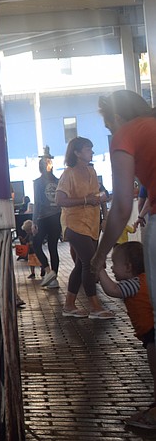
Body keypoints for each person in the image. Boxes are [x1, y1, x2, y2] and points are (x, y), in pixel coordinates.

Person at [92, 90, 156, 329]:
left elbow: (121, 206)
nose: (112, 134)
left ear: (117, 118)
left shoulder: (126, 134)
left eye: (109, 128)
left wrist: (100, 256)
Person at [94, 241, 156, 428]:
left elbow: (112, 290)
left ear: (128, 267)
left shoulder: (134, 283)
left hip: (152, 335)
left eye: (114, 264)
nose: (112, 267)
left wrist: (99, 270)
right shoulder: (146, 279)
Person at [56, 136, 113, 318]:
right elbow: (59, 200)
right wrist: (87, 200)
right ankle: (95, 307)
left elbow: (98, 194)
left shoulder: (92, 171)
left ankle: (69, 305)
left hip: (92, 224)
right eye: (88, 149)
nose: (92, 152)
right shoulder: (68, 174)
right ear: (77, 152)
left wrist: (104, 211)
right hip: (74, 224)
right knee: (90, 263)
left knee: (81, 265)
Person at [31, 148, 62, 288]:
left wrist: (34, 221)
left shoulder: (37, 182)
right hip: (57, 217)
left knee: (36, 244)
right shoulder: (58, 180)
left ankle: (49, 272)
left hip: (43, 217)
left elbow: (37, 202)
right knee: (53, 247)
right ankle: (53, 276)